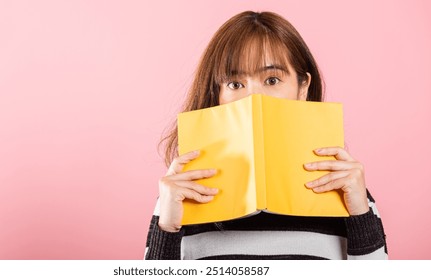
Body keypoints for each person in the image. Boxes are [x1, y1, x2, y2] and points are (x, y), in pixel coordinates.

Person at [144, 11, 387, 260]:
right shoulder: (179, 194)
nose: (254, 98)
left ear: (302, 87)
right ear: (217, 94)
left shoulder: (348, 191)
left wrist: (360, 214)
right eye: (235, 84)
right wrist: (167, 228)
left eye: (272, 80)